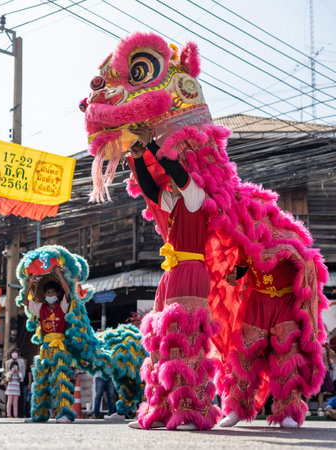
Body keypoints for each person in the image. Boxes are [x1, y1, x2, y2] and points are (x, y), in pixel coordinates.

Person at [127, 124, 221, 430]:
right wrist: (139, 156)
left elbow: (177, 172)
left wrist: (152, 145)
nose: (172, 175)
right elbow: (151, 192)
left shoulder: (196, 195)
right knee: (166, 342)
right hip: (172, 274)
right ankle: (165, 408)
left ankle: (191, 410)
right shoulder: (179, 201)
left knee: (188, 341)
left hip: (192, 272)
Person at [218, 248, 323, 428]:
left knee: (288, 356)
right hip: (258, 301)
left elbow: (307, 263)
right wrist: (233, 274)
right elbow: (242, 265)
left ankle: (287, 411)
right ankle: (237, 408)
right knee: (246, 354)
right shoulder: (248, 236)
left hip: (286, 302)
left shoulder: (290, 236)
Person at [24, 264, 75, 423]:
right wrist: (30, 285)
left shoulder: (62, 306)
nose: (50, 294)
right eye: (48, 292)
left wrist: (59, 275)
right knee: (41, 381)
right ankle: (39, 414)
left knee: (61, 378)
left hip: (60, 348)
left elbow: (68, 293)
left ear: (57, 294)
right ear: (44, 295)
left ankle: (65, 413)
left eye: (53, 292)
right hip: (45, 349)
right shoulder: (41, 308)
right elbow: (27, 301)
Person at [5, 347, 26, 417]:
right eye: (13, 352)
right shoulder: (7, 362)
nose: (14, 354)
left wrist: (20, 377)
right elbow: (7, 371)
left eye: (16, 353)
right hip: (11, 383)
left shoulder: (21, 361)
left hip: (19, 381)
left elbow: (23, 370)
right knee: (9, 400)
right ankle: (8, 414)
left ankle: (18, 414)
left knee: (18, 400)